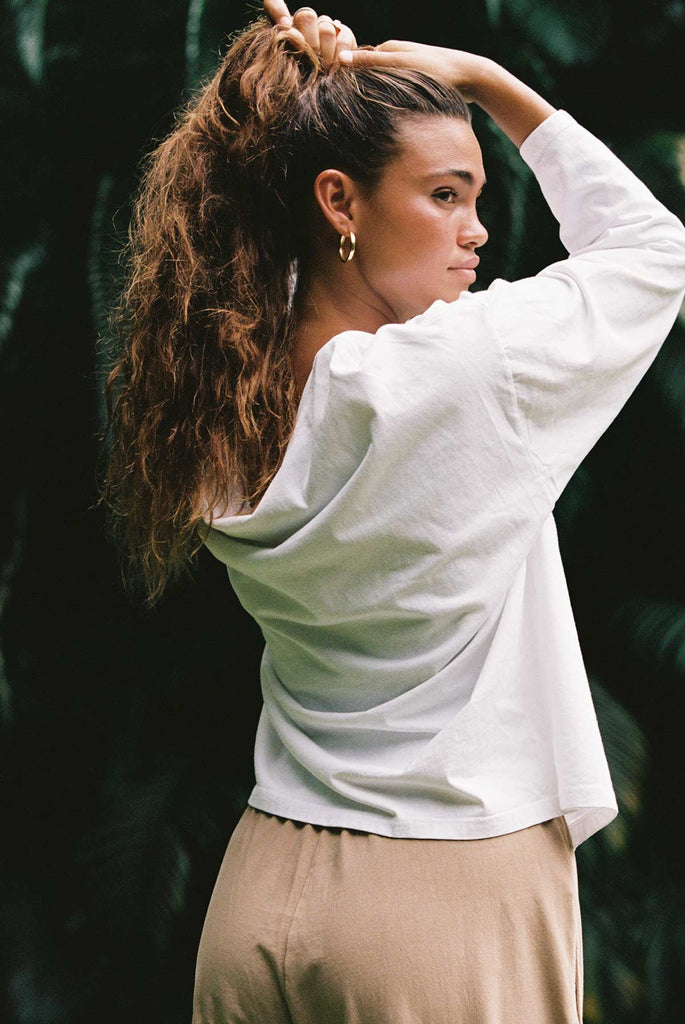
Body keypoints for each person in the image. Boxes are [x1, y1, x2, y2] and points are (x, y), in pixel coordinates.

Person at [97, 2, 685, 1022]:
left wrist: (301, 98)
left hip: (260, 887)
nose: (476, 230)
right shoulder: (460, 373)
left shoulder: (223, 398)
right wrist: (490, 81)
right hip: (440, 900)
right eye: (445, 194)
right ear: (338, 200)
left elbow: (275, 248)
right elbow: (651, 250)